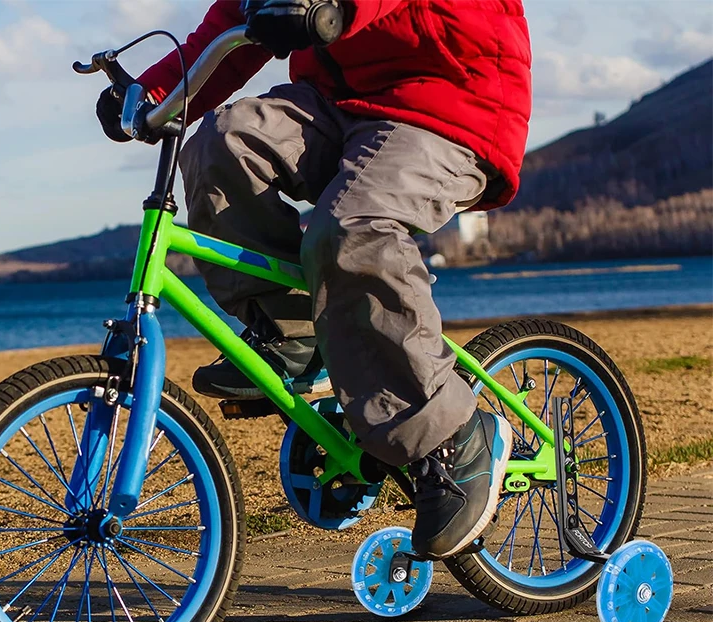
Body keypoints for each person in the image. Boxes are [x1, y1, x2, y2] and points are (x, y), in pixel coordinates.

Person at [96, 0, 532, 561]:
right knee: (221, 141)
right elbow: (232, 20)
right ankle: (292, 329)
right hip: (339, 105)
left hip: (449, 102)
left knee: (354, 227)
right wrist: (153, 94)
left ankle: (455, 439)